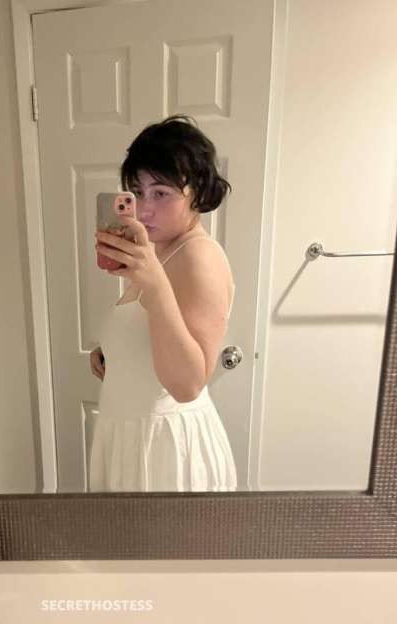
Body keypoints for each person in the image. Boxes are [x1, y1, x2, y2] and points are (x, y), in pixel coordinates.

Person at [88, 114, 238, 492]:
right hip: (135, 439)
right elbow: (156, 334)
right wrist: (113, 353)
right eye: (136, 192)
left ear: (197, 192)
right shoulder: (160, 253)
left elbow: (187, 384)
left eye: (161, 193)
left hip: (166, 452)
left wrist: (154, 284)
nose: (143, 209)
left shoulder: (198, 257)